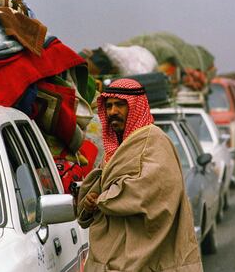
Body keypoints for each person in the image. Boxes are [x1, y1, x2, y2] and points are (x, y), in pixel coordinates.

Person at [77, 78, 203, 272]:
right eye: (109, 106)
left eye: (120, 105)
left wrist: (103, 199)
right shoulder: (118, 147)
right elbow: (102, 185)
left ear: (136, 107)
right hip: (114, 253)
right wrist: (90, 201)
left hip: (147, 255)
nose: (113, 112)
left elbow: (150, 192)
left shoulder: (154, 140)